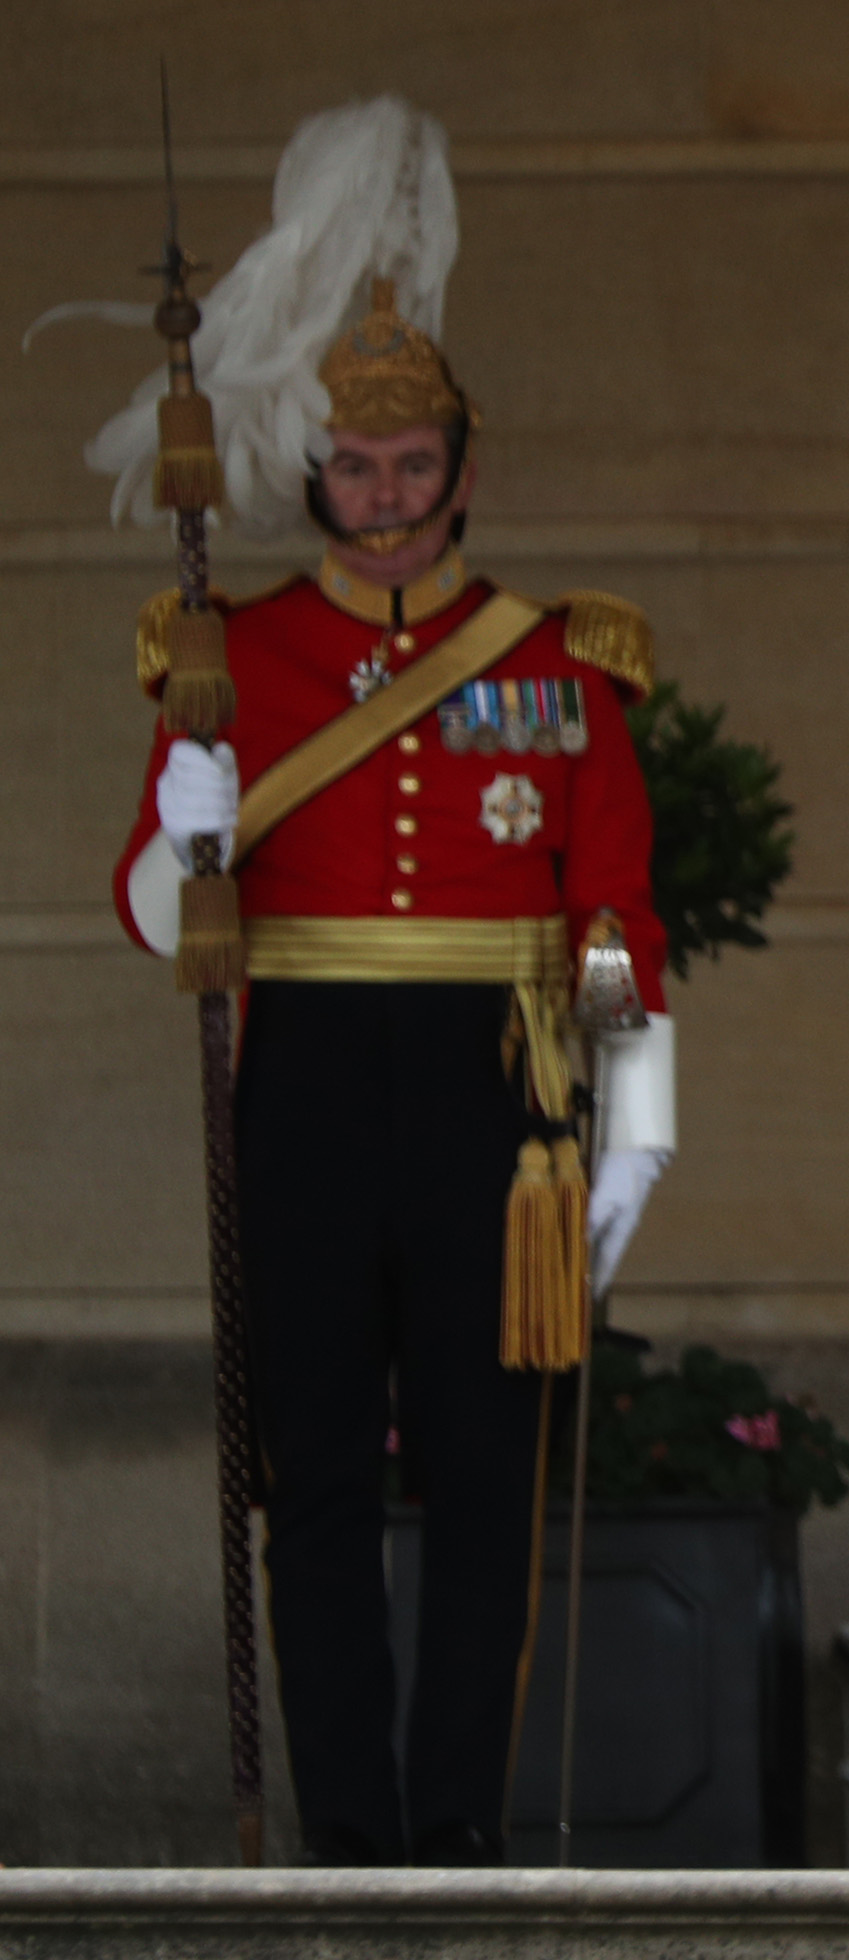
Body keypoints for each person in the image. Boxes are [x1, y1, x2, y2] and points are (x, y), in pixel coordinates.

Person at [101, 99, 675, 1866]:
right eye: (360, 471)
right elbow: (145, 918)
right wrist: (189, 828)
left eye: (417, 464)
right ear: (312, 477)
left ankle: (455, 1836)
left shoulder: (560, 657)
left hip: (495, 1094)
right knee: (321, 1475)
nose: (391, 498)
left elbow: (621, 912)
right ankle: (348, 1834)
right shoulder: (235, 651)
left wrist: (635, 1128)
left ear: (460, 467)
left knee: (488, 1486)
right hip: (313, 1077)